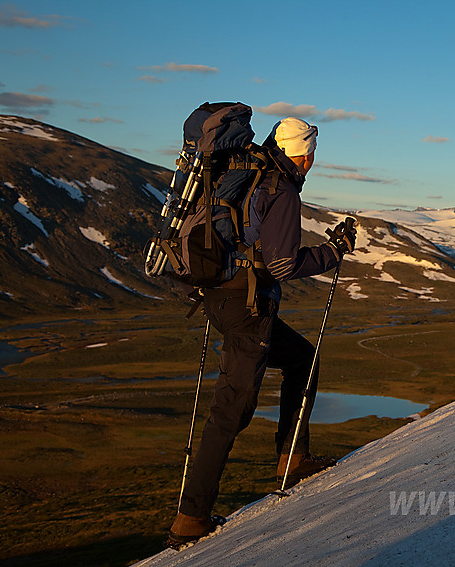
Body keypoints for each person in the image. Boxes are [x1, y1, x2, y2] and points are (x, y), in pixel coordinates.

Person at [167, 117, 356, 548]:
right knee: (230, 410)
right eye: (312, 154)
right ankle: (190, 517)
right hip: (247, 307)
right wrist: (334, 251)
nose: (312, 161)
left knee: (302, 358)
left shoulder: (250, 171)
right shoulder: (282, 189)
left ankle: (294, 458)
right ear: (303, 154)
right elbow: (283, 265)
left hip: (223, 295)